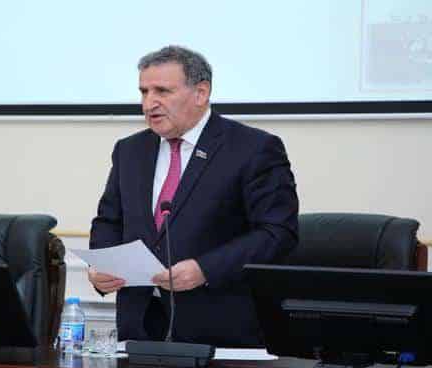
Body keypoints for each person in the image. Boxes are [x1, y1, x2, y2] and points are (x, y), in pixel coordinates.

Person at [88, 45, 299, 346]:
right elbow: (109, 220)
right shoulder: (130, 150)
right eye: (144, 92)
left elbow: (277, 233)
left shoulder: (253, 148)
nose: (149, 104)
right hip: (139, 327)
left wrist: (205, 270)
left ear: (201, 93)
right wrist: (101, 267)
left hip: (219, 329)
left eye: (162, 91)